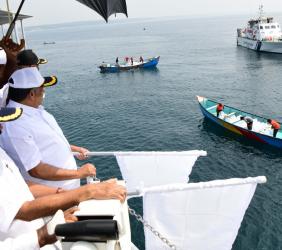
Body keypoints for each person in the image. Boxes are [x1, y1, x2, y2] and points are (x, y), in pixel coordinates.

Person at [0, 67, 96, 190]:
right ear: (32, 94)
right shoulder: (15, 124)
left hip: (68, 186)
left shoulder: (35, 109)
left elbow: (45, 142)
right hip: (55, 193)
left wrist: (73, 149)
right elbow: (36, 170)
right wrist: (79, 173)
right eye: (42, 89)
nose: (44, 91)